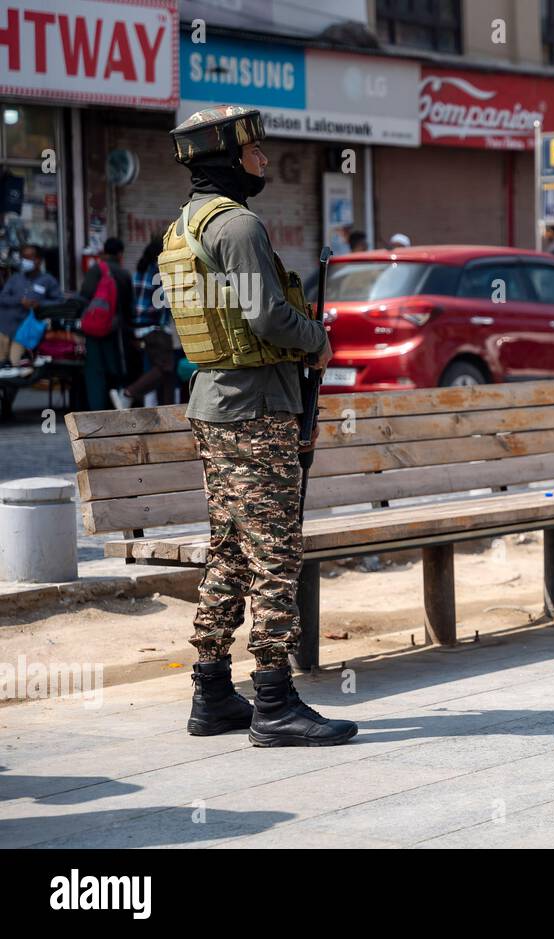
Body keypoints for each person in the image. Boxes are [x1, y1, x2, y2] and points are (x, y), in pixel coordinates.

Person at [164, 105, 356, 746]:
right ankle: (274, 701)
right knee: (275, 555)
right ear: (227, 158)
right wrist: (318, 340)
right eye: (254, 151)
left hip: (217, 405)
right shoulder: (239, 225)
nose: (264, 160)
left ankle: (213, 692)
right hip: (255, 412)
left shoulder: (187, 225)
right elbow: (270, 320)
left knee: (228, 552)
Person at [111, 238, 175, 409]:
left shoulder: (139, 271)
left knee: (166, 374)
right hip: (156, 329)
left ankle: (169, 412)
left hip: (140, 329)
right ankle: (128, 393)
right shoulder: (159, 272)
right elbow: (165, 302)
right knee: (165, 368)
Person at [76, 238, 134, 410]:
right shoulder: (124, 274)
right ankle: (117, 403)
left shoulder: (96, 270)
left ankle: (96, 407)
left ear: (104, 252)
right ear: (120, 254)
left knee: (95, 370)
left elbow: (83, 297)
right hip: (115, 331)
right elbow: (129, 306)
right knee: (116, 367)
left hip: (94, 330)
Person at [0, 244, 63, 378]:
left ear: (38, 260)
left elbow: (58, 301)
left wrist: (40, 304)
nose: (25, 261)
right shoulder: (15, 279)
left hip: (26, 330)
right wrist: (19, 301)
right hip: (5, 327)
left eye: (28, 258)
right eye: (23, 258)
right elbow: (2, 297)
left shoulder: (48, 280)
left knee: (15, 367)